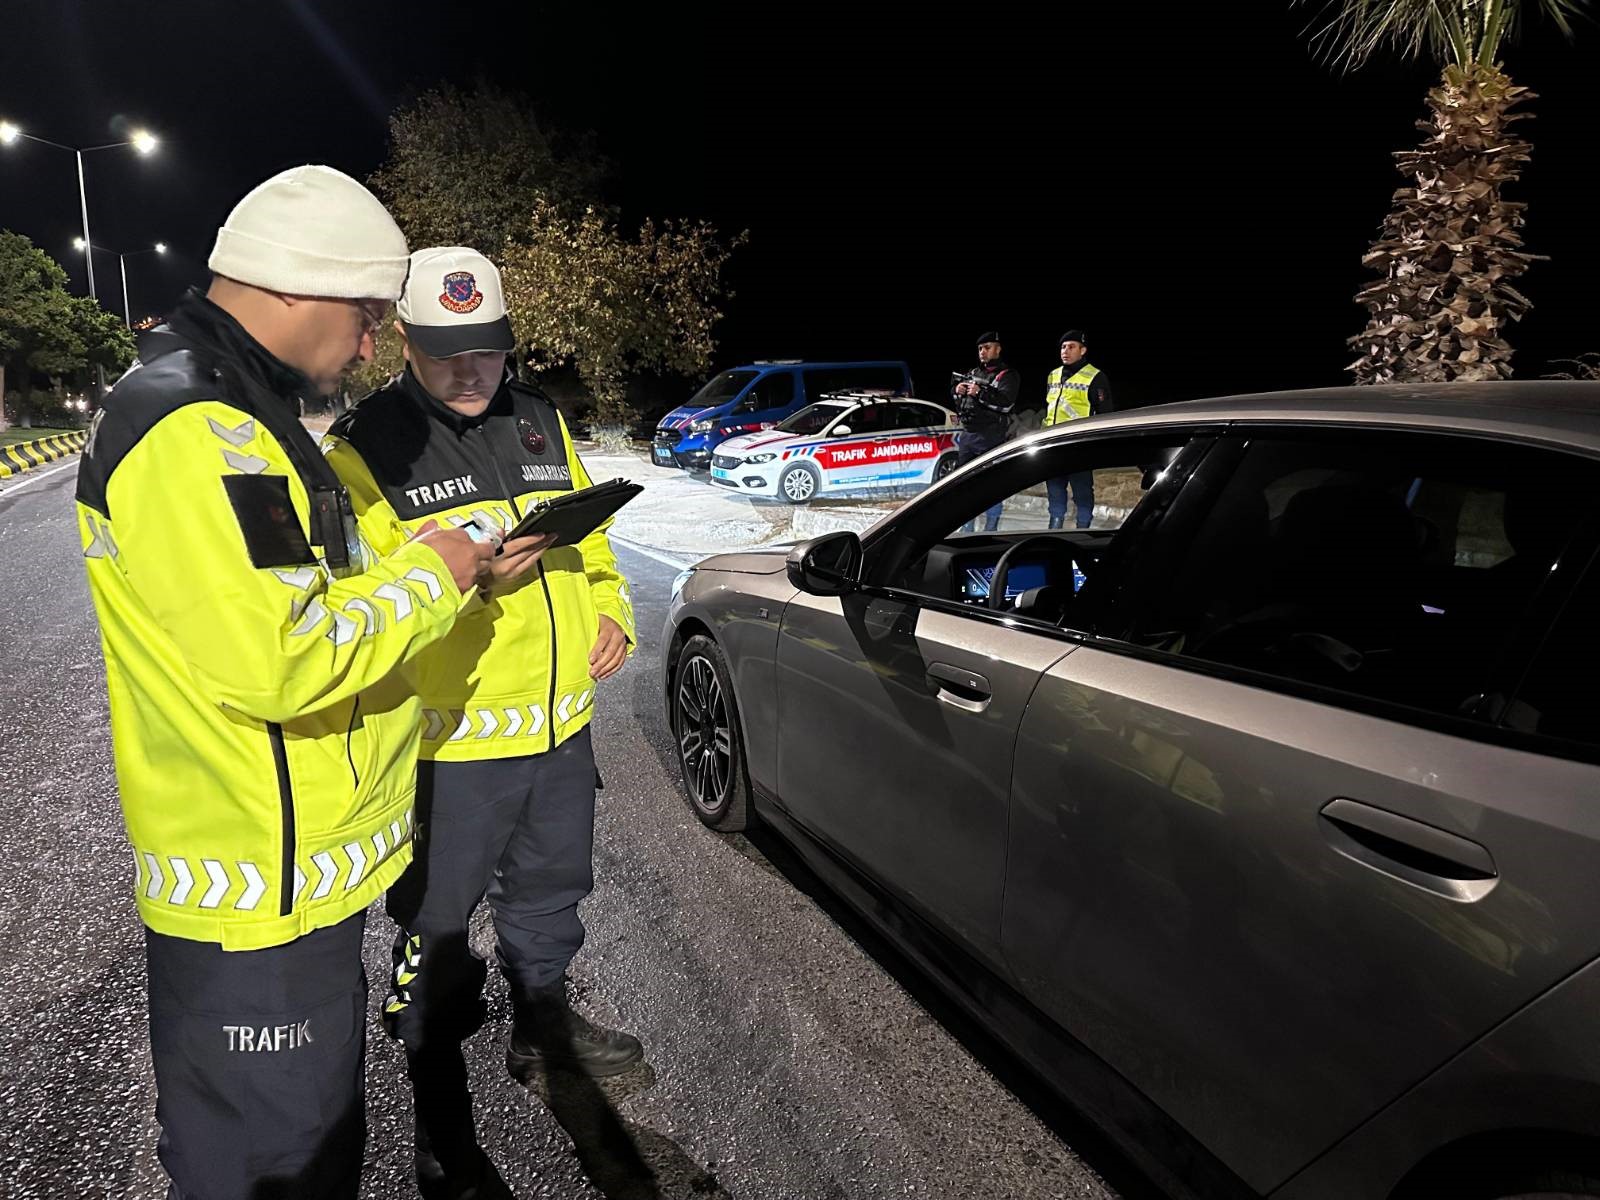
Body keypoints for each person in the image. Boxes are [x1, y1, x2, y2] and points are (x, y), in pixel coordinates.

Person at [74, 166, 496, 1200]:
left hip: (287, 884)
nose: (365, 346)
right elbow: (284, 656)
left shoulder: (235, 413)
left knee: (300, 1152)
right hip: (260, 899)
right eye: (362, 317)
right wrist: (431, 578)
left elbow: (300, 598)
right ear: (300, 288)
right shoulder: (193, 427)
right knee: (279, 1169)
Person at [322, 247, 641, 1199]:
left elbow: (591, 542)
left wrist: (613, 607)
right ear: (405, 344)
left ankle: (543, 1026)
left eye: (488, 350)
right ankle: (440, 1126)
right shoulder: (362, 449)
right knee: (437, 933)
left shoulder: (541, 417)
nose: (473, 371)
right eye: (448, 351)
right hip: (449, 747)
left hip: (557, 728)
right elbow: (356, 607)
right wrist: (466, 589)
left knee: (550, 895)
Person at [1042, 329, 1114, 529]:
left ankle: (1083, 528)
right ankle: (1054, 526)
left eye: (1071, 346)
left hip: (1079, 446)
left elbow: (1105, 414)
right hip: (1053, 444)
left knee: (1082, 490)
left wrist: (1095, 444)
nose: (1065, 351)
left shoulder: (1095, 377)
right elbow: (1049, 409)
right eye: (1063, 347)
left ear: (1083, 350)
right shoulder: (1053, 375)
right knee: (1055, 489)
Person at [952, 330, 1020, 532]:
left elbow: (1006, 405)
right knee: (964, 486)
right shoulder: (973, 373)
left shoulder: (1008, 375)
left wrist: (980, 393)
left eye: (987, 347)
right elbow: (963, 406)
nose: (983, 352)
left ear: (998, 349)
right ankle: (966, 529)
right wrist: (958, 393)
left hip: (990, 436)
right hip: (968, 436)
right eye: (980, 348)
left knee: (990, 487)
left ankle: (990, 530)